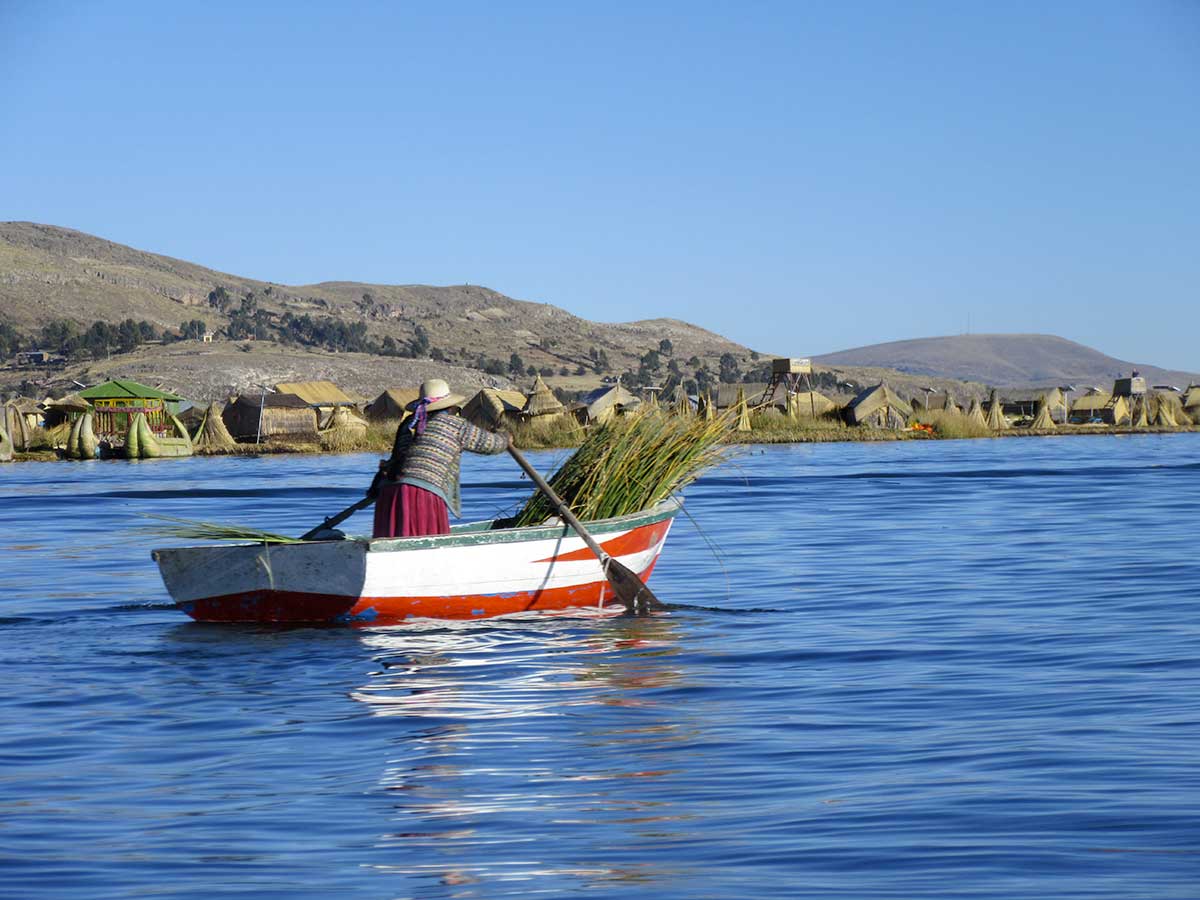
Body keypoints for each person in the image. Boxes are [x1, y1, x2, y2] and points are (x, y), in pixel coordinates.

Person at [372, 378, 509, 538]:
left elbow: (398, 457)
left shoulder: (409, 423)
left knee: (395, 538)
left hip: (390, 493)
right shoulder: (454, 425)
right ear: (450, 406)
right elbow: (491, 444)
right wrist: (506, 436)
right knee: (423, 540)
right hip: (421, 494)